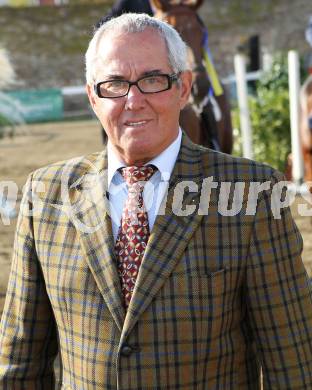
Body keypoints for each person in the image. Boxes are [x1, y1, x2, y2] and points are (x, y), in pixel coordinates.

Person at [0, 13, 312, 390]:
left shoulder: (254, 193)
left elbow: (294, 363)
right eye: (114, 84)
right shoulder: (43, 195)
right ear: (92, 97)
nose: (133, 100)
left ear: (183, 88)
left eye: (152, 80)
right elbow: (19, 364)